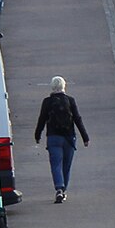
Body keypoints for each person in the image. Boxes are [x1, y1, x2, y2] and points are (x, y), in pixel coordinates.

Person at [32, 76, 91, 205]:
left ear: (52, 87)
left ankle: (59, 188)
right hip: (69, 138)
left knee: (56, 164)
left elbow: (42, 119)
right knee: (66, 166)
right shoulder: (70, 100)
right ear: (64, 86)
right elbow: (77, 119)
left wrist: (37, 135)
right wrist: (85, 137)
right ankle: (63, 190)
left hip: (53, 138)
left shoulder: (47, 102)